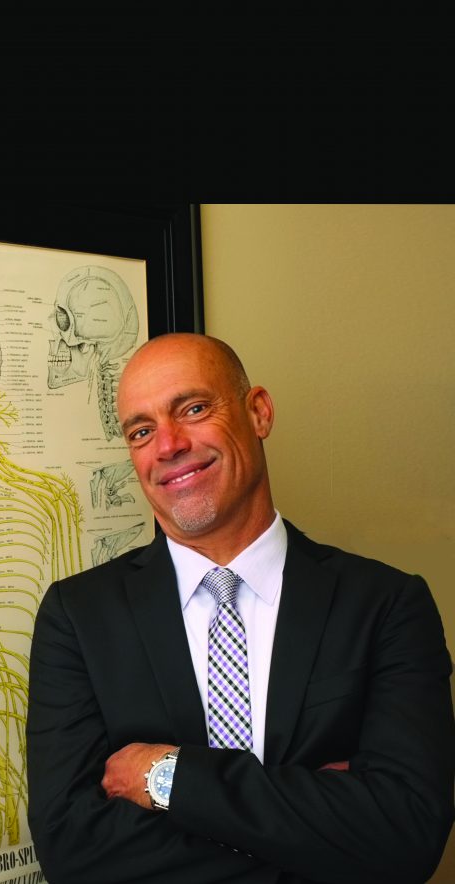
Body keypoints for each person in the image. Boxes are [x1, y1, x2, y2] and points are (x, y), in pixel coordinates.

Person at [26, 332, 455, 884]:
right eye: (141, 431)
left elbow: (407, 834)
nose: (168, 446)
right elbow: (72, 851)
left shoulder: (386, 605)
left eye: (194, 409)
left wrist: (167, 777)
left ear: (259, 412)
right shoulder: (78, 617)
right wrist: (320, 826)